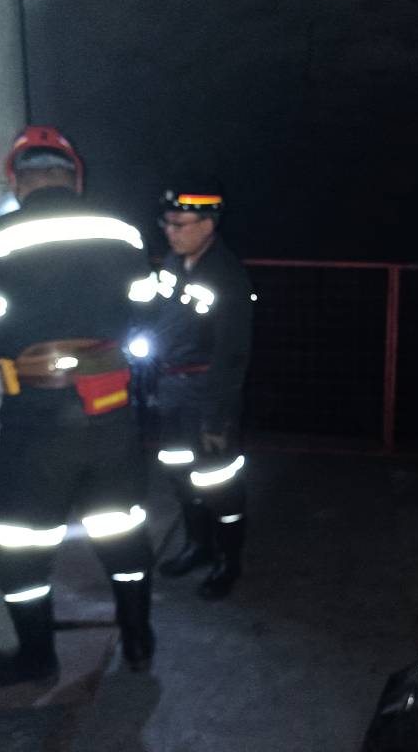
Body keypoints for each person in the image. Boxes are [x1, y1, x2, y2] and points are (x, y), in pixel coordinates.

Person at [0, 126, 158, 686]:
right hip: (112, 411)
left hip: (37, 421)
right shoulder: (123, 232)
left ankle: (37, 657)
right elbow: (145, 314)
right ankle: (138, 640)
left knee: (20, 544)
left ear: (17, 182)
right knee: (120, 529)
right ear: (75, 177)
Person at [149, 178, 253, 600]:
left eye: (180, 224)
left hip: (207, 392)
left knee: (218, 483)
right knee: (180, 473)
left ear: (208, 225)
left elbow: (233, 353)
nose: (170, 232)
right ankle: (198, 546)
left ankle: (228, 562)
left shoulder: (228, 277)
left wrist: (217, 416)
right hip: (171, 388)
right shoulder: (173, 266)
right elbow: (158, 317)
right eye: (167, 223)